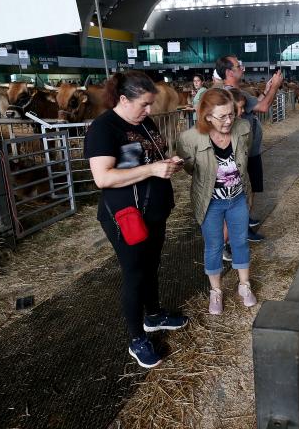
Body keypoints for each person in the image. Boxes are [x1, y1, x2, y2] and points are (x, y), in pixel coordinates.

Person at [84, 70, 188, 369]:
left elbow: (151, 158)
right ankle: (136, 338)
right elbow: (103, 177)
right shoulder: (104, 129)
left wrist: (168, 165)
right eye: (143, 104)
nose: (149, 110)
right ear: (122, 99)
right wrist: (153, 170)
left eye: (150, 104)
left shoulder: (144, 122)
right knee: (134, 273)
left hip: (154, 210)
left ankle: (154, 316)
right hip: (127, 215)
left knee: (152, 264)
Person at [177, 88, 257, 315]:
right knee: (214, 246)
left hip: (238, 197)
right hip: (210, 202)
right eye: (222, 116)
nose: (229, 120)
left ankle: (244, 285)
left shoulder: (243, 128)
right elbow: (191, 169)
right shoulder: (189, 138)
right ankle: (216, 291)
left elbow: (244, 156)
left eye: (231, 114)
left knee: (240, 241)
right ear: (207, 116)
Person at [215, 55, 283, 243]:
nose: (242, 68)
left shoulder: (237, 92)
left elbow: (255, 105)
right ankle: (240, 232)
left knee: (248, 189)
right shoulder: (232, 94)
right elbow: (263, 107)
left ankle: (243, 225)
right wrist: (276, 86)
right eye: (239, 66)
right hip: (241, 152)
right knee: (245, 191)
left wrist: (268, 88)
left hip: (248, 150)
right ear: (229, 72)